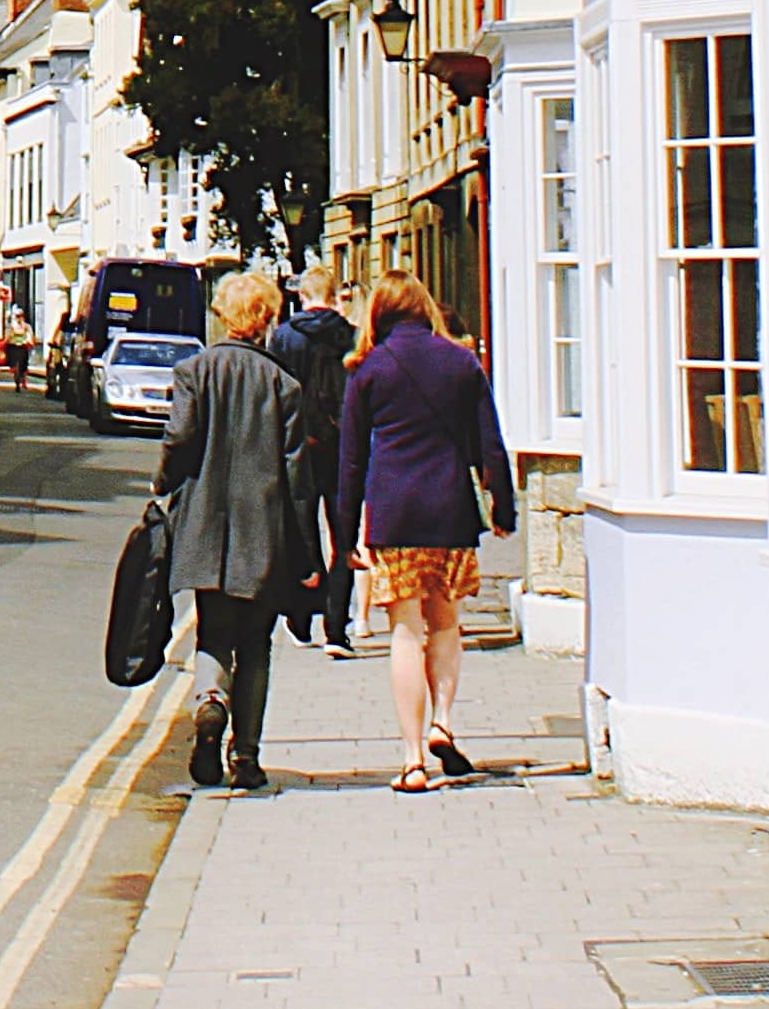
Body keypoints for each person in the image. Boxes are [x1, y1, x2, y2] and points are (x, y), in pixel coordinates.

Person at [333, 275, 520, 787]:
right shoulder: (461, 362)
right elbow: (491, 443)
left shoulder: (367, 370)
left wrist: (344, 534)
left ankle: (413, 759)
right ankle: (443, 722)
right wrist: (504, 509)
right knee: (445, 623)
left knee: (404, 631)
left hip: (395, 514)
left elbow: (351, 463)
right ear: (423, 309)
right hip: (450, 511)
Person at [152, 266, 305, 794]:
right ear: (266, 319)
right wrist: (307, 556)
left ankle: (210, 701)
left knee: (213, 631)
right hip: (264, 531)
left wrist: (163, 483)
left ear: (223, 317)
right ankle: (247, 758)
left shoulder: (195, 371)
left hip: (205, 526)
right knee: (257, 644)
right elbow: (297, 478)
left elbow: (180, 438)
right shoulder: (283, 384)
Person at [275, 289, 358, 652]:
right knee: (345, 540)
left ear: (304, 294)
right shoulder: (351, 334)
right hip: (342, 444)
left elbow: (275, 392)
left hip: (300, 444)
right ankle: (337, 630)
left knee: (302, 531)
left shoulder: (284, 335)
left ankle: (301, 618)